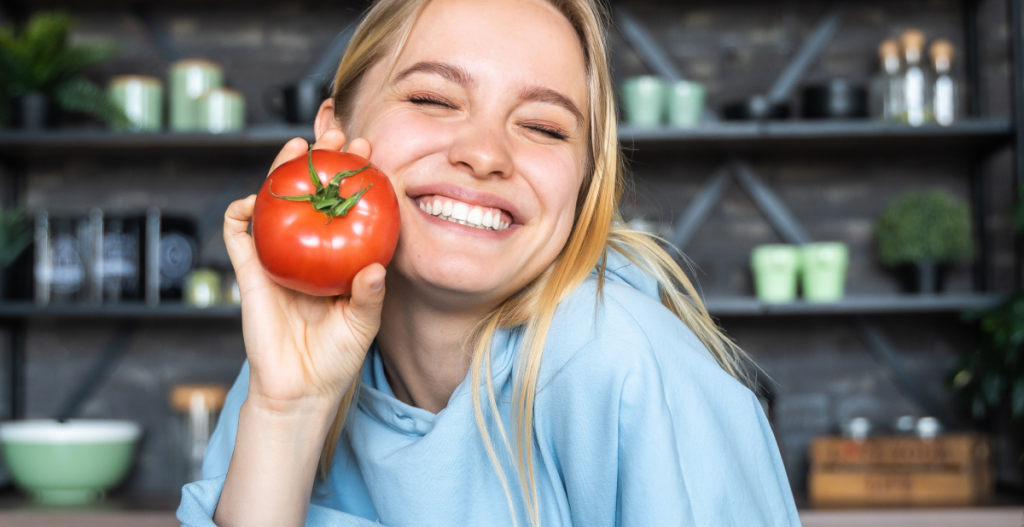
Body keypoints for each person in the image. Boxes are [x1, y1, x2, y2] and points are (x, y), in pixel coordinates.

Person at [177, 0, 801, 525]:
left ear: (584, 184)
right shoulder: (294, 356)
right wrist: (289, 413)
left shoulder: (626, 368)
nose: (483, 153)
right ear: (334, 133)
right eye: (432, 98)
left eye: (544, 128)